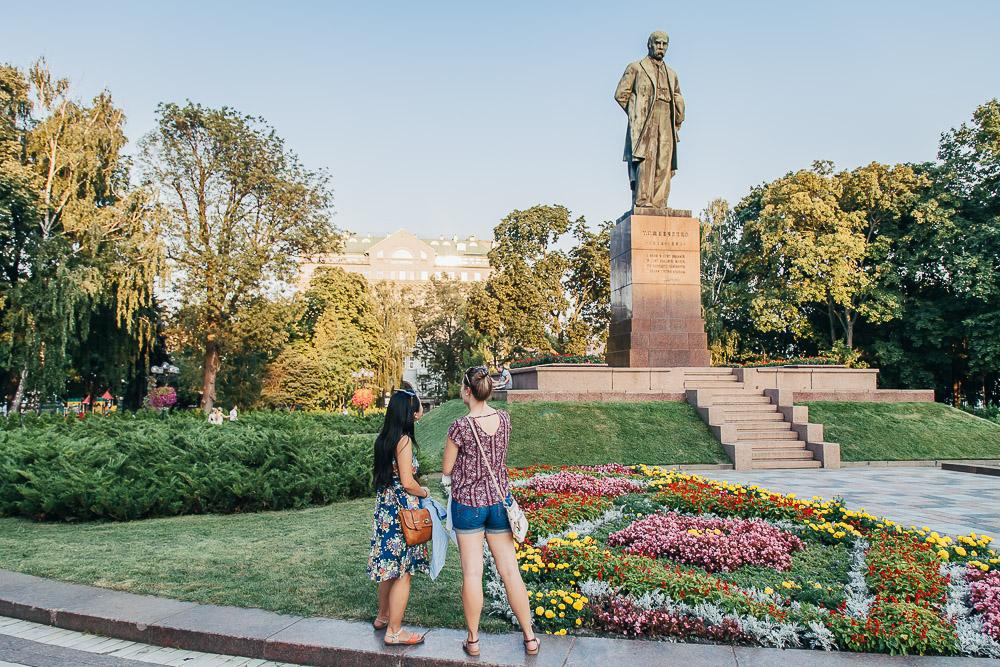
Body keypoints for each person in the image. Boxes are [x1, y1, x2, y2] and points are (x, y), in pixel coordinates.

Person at [441, 366, 539, 657]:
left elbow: (446, 469)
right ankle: (530, 638)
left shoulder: (459, 427)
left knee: (472, 573)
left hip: (468, 505)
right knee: (510, 571)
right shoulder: (505, 419)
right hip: (499, 502)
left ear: (467, 391)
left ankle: (473, 641)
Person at [367, 388, 431, 646]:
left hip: (386, 510)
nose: (421, 410)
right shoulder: (403, 441)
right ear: (409, 412)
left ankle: (382, 617)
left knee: (389, 570)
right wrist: (424, 490)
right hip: (402, 512)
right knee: (404, 572)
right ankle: (395, 631)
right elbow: (407, 482)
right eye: (418, 406)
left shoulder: (384, 438)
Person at [614, 30, 685, 209]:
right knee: (647, 158)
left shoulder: (672, 73)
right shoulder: (636, 67)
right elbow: (621, 94)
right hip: (646, 118)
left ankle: (660, 202)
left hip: (666, 118)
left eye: (664, 44)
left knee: (664, 161)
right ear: (649, 45)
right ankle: (643, 200)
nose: (661, 47)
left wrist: (679, 112)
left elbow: (677, 94)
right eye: (658, 43)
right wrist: (636, 113)